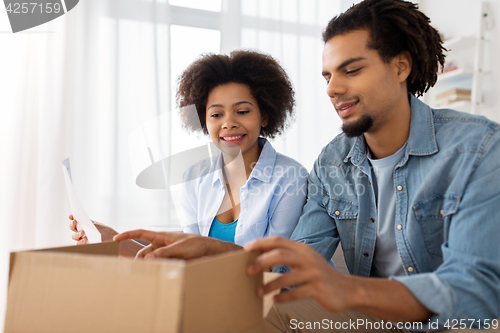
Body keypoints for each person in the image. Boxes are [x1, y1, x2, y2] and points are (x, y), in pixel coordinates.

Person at [115, 0, 500, 331]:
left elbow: (478, 292)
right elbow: (287, 269)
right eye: (328, 76)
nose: (332, 88)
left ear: (401, 67)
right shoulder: (334, 162)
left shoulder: (478, 149)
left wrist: (348, 289)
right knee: (254, 313)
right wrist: (213, 252)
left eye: (351, 70)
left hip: (458, 321)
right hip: (371, 320)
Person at [70, 50, 308, 254]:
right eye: (216, 114)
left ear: (264, 115)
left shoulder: (290, 177)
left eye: (242, 111)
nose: (228, 123)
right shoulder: (194, 177)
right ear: (204, 121)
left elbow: (277, 267)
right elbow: (191, 261)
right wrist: (116, 243)